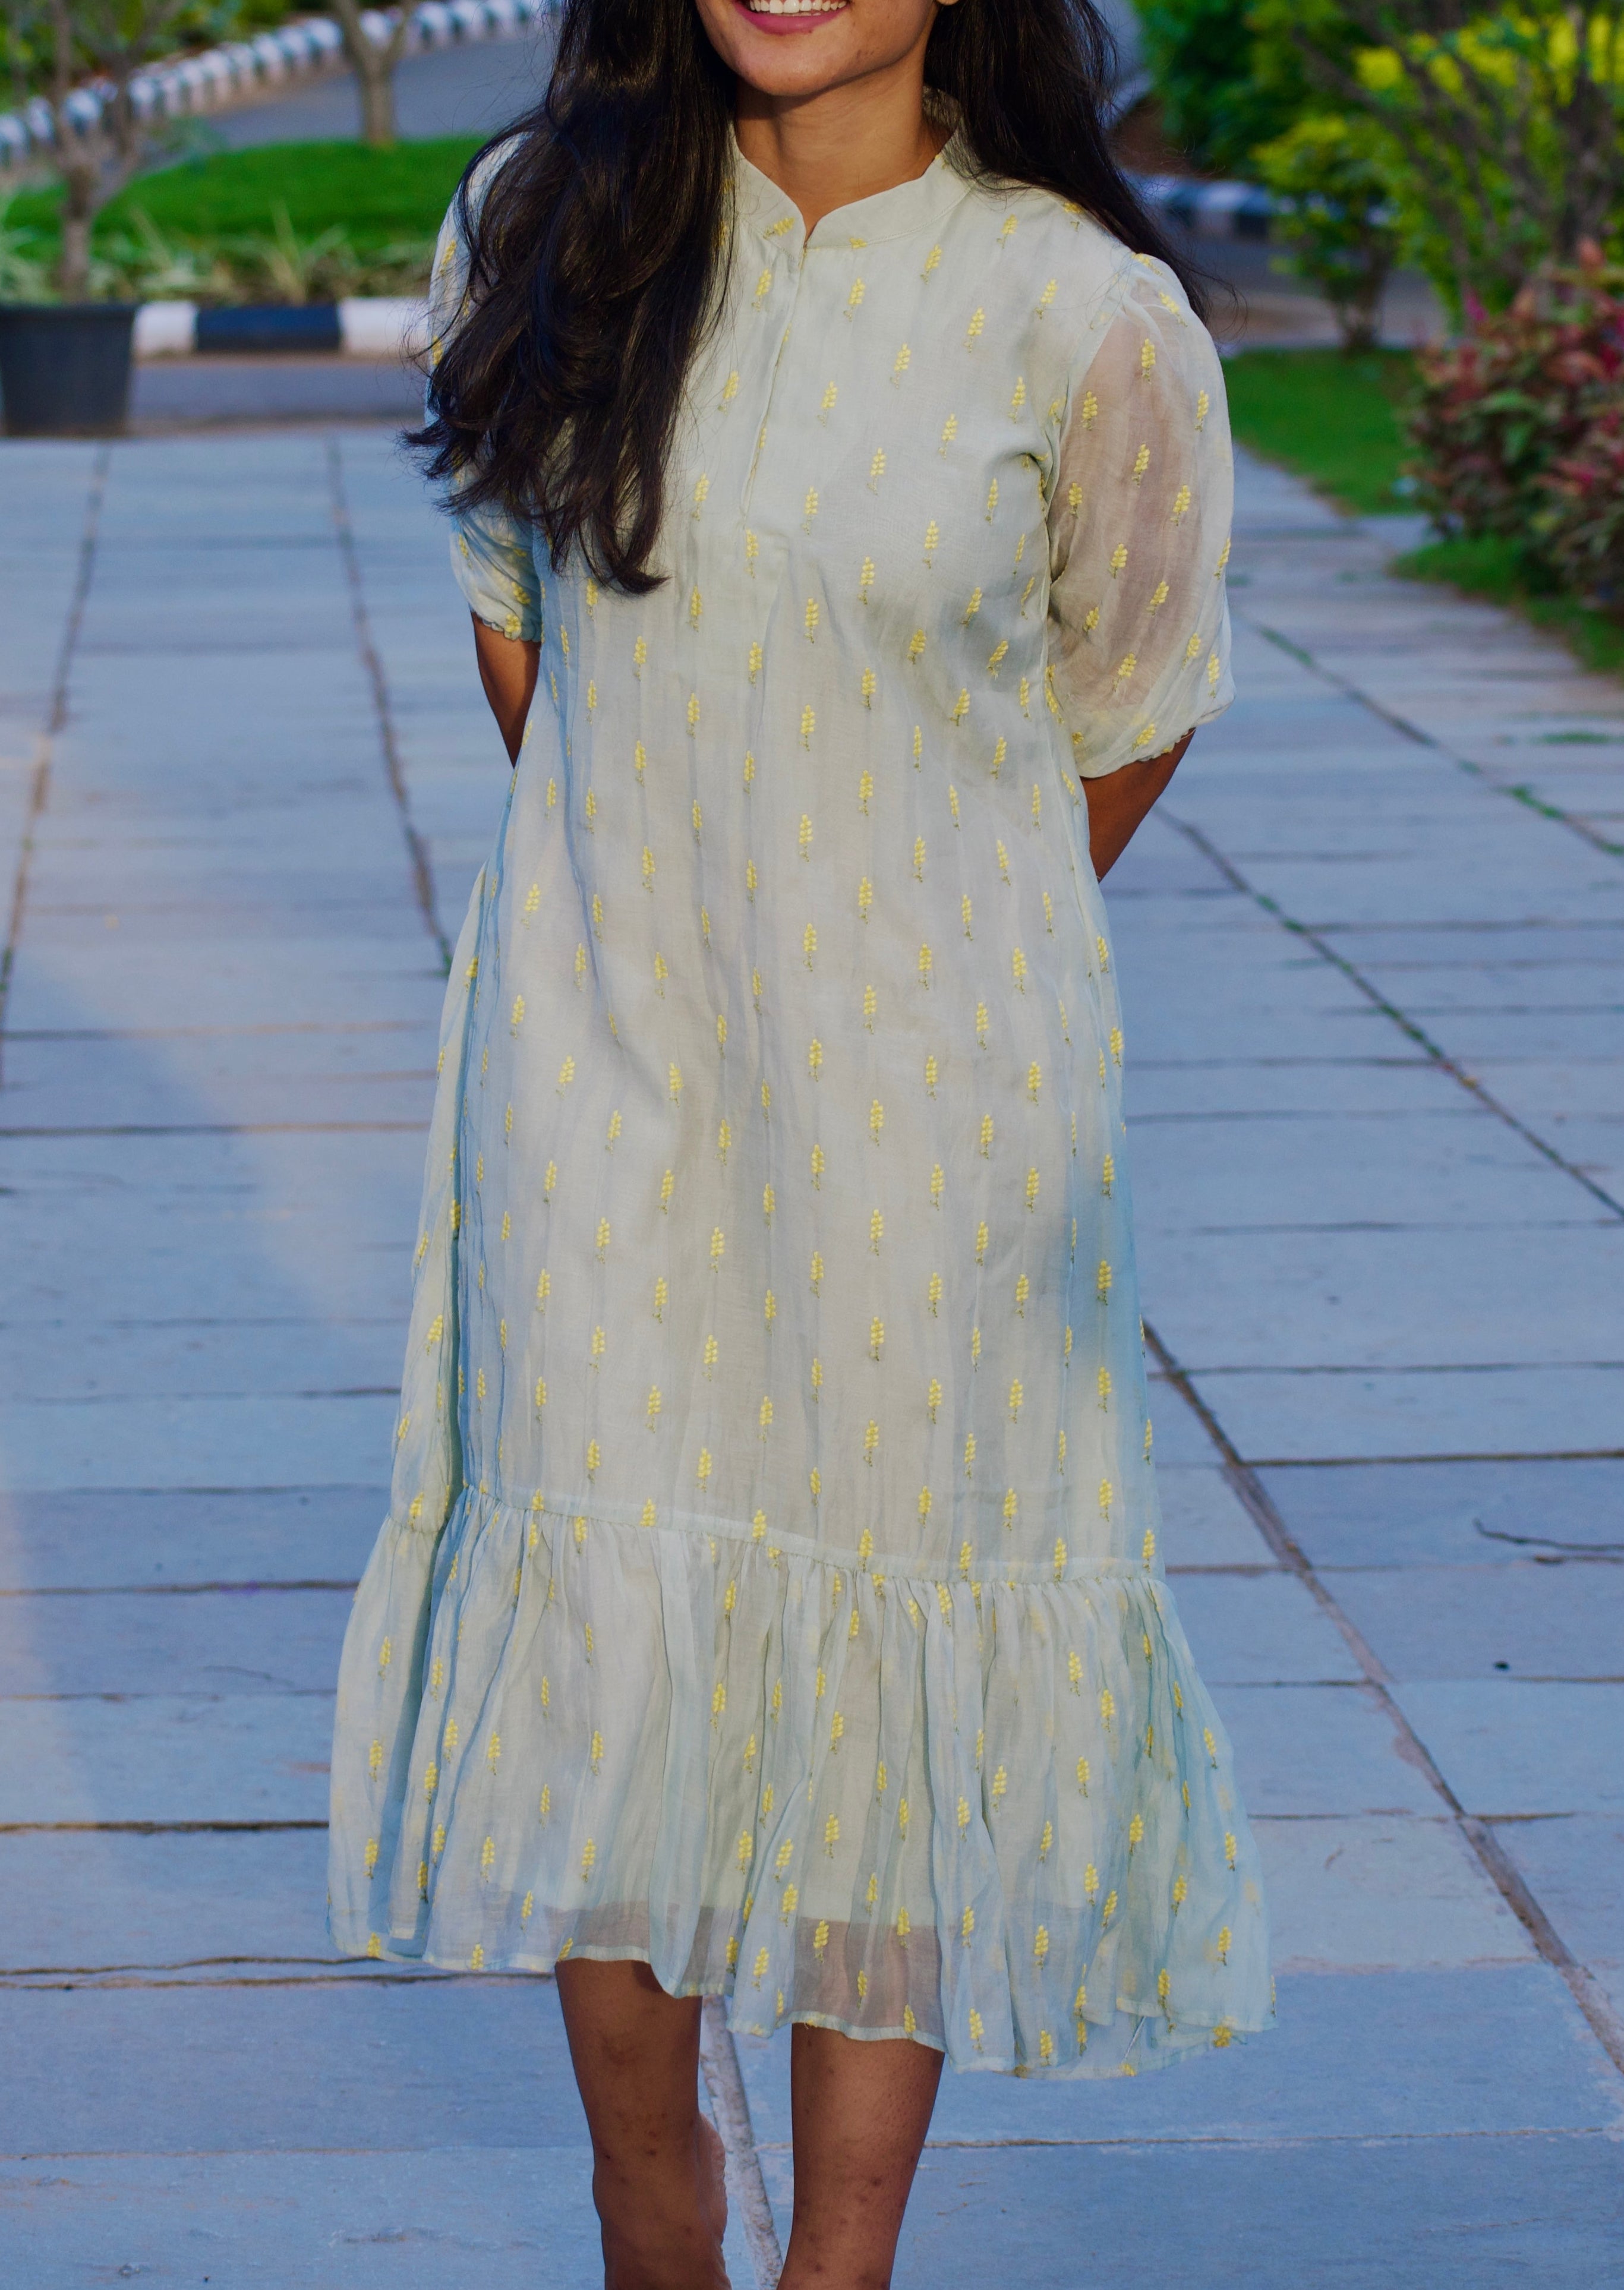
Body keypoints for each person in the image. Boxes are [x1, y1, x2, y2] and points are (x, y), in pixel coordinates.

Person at [327, 0, 1274, 2280]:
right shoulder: (542, 237)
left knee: (899, 1647)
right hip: (603, 1084)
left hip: (943, 1131)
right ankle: (653, 2219)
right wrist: (677, 922)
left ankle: (840, 2272)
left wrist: (904, 953)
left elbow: (1120, 718)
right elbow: (530, 661)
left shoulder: (1084, 311)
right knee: (608, 1644)